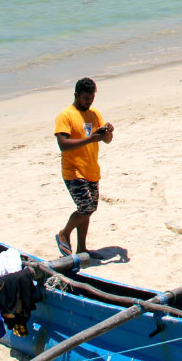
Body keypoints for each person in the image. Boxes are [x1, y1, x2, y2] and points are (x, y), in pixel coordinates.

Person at [54, 77, 114, 260]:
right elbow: (63, 144)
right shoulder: (66, 116)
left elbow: (106, 140)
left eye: (92, 98)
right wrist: (91, 139)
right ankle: (64, 233)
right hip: (73, 170)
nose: (89, 101)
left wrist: (108, 132)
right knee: (86, 207)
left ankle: (82, 249)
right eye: (86, 98)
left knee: (89, 209)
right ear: (76, 95)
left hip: (91, 169)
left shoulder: (94, 114)